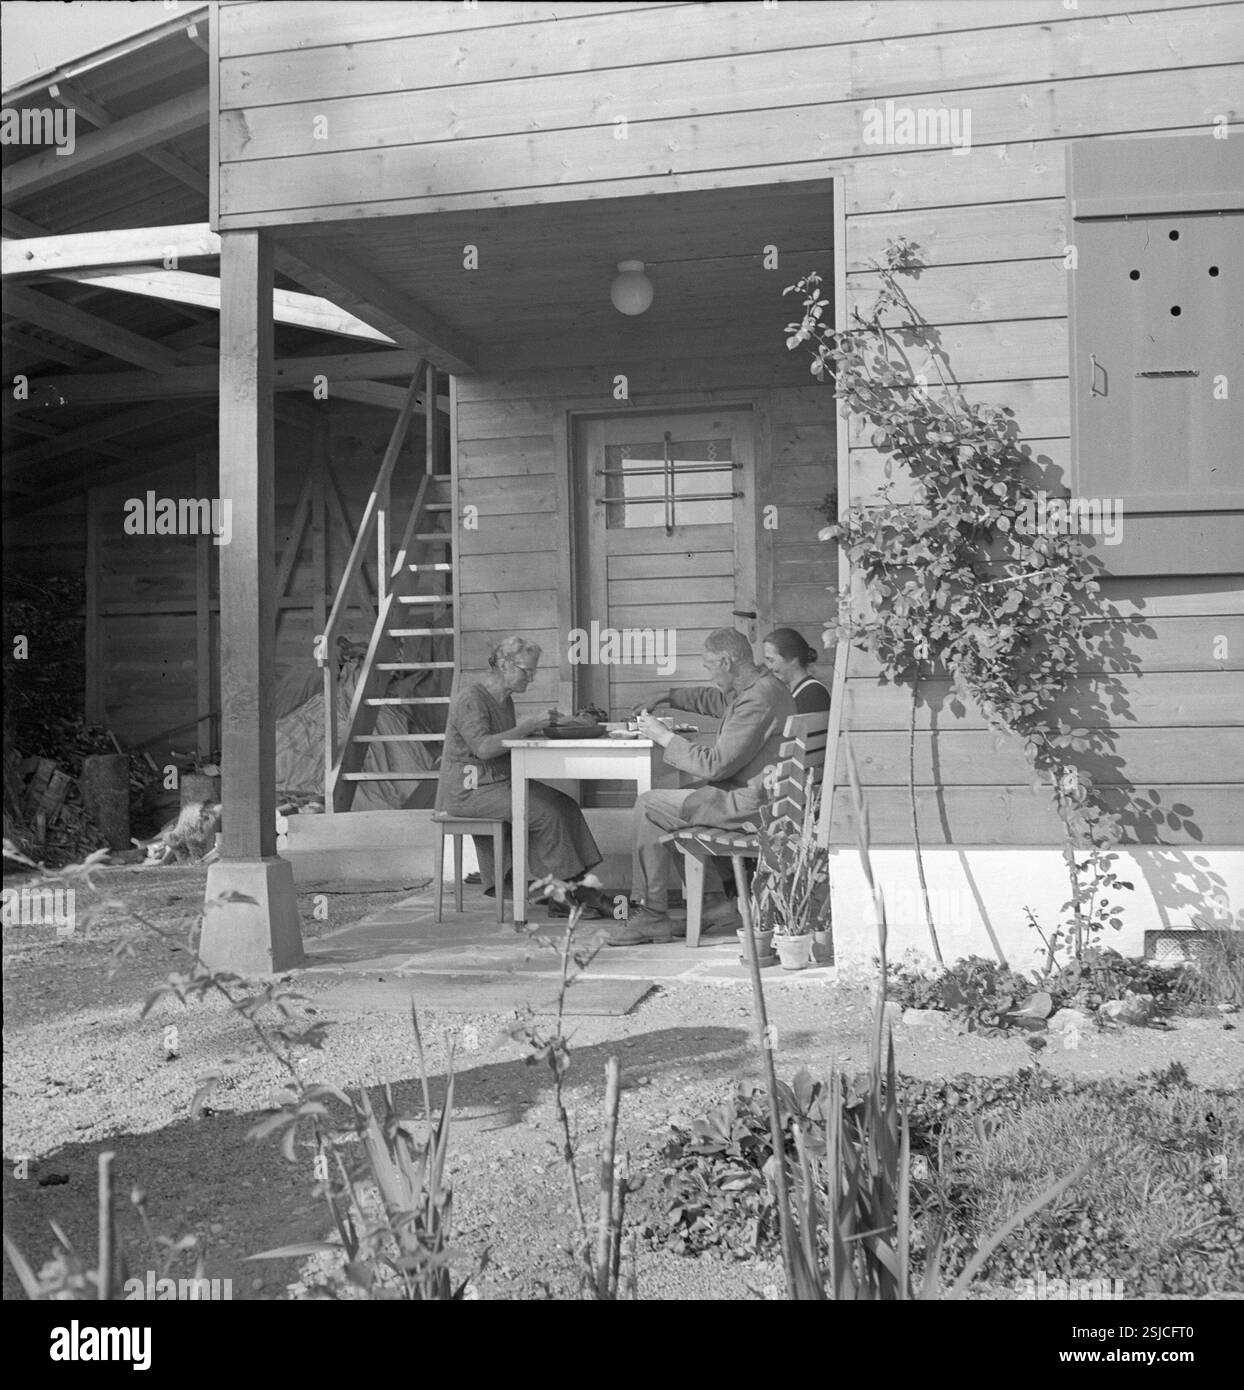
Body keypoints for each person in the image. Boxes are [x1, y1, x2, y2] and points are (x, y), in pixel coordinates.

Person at [605, 627, 795, 946]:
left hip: (747, 805)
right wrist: (666, 695)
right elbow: (712, 700)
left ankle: (652, 914)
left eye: (709, 667)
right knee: (673, 805)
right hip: (759, 796)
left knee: (649, 805)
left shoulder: (757, 699)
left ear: (726, 661)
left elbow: (715, 765)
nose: (708, 675)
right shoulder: (763, 687)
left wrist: (663, 736)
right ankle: (713, 904)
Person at [435, 635, 609, 917]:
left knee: (565, 804)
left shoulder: (504, 701)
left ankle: (571, 886)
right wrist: (529, 725)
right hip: (470, 791)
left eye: (533, 671)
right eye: (527, 671)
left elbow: (504, 740)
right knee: (544, 812)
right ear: (504, 665)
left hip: (498, 784)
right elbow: (484, 747)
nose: (531, 678)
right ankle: (563, 895)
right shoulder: (471, 699)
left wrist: (543, 728)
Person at [761, 627, 832, 713]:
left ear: (793, 659)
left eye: (771, 660)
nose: (768, 667)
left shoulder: (812, 695)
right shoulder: (794, 692)